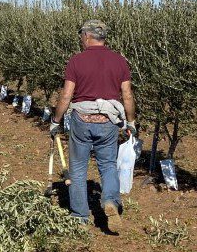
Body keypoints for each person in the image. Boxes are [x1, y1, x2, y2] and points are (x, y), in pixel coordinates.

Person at [49, 19, 137, 228]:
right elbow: (127, 94)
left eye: (81, 36)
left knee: (78, 168)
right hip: (108, 122)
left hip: (82, 120)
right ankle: (110, 201)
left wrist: (56, 121)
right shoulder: (119, 61)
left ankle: (80, 217)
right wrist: (131, 121)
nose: (81, 39)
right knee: (107, 165)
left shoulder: (76, 61)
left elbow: (66, 95)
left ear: (87, 36)